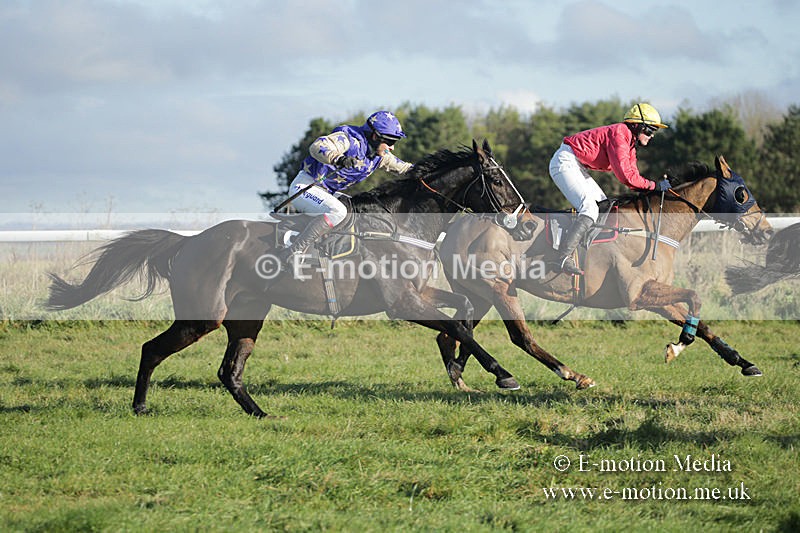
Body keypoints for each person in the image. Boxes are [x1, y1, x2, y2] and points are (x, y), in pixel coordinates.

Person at [277, 111, 413, 267]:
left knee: (357, 209)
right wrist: (338, 158)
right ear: (375, 137)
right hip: (304, 188)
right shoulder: (349, 138)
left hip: (326, 193)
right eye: (390, 142)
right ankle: (294, 251)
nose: (392, 147)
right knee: (339, 212)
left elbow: (404, 168)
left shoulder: (379, 156)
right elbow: (317, 146)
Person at [548, 102, 671, 275]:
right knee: (590, 208)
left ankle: (583, 252)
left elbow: (632, 176)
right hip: (565, 162)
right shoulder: (620, 133)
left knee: (602, 206)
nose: (651, 136)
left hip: (576, 165)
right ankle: (562, 258)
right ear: (637, 126)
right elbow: (625, 177)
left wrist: (654, 188)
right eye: (650, 131)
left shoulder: (630, 143)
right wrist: (654, 186)